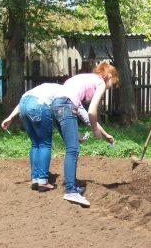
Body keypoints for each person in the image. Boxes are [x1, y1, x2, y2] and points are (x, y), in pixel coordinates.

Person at [52, 62, 119, 206]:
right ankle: (71, 191)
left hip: (56, 105)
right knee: (73, 150)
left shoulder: (83, 80)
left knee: (72, 147)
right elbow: (92, 111)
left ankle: (72, 187)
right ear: (108, 76)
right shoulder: (100, 83)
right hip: (66, 106)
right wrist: (95, 130)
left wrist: (105, 134)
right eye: (112, 82)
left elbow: (84, 114)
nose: (110, 86)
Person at [1, 83, 63, 192]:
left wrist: (10, 117)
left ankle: (35, 179)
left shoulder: (47, 87)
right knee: (45, 144)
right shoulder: (65, 91)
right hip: (38, 105)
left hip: (24, 103)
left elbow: (24, 102)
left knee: (35, 144)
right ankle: (43, 181)